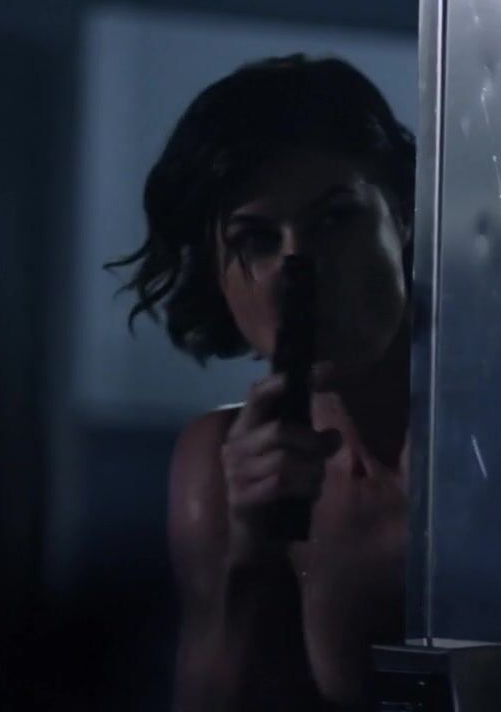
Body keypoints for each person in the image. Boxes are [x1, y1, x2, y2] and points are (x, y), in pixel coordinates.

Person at [107, 54, 415, 710]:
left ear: (403, 215)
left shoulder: (499, 429)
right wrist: (251, 554)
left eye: (335, 219)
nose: (299, 266)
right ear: (216, 274)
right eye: (255, 239)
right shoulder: (217, 468)